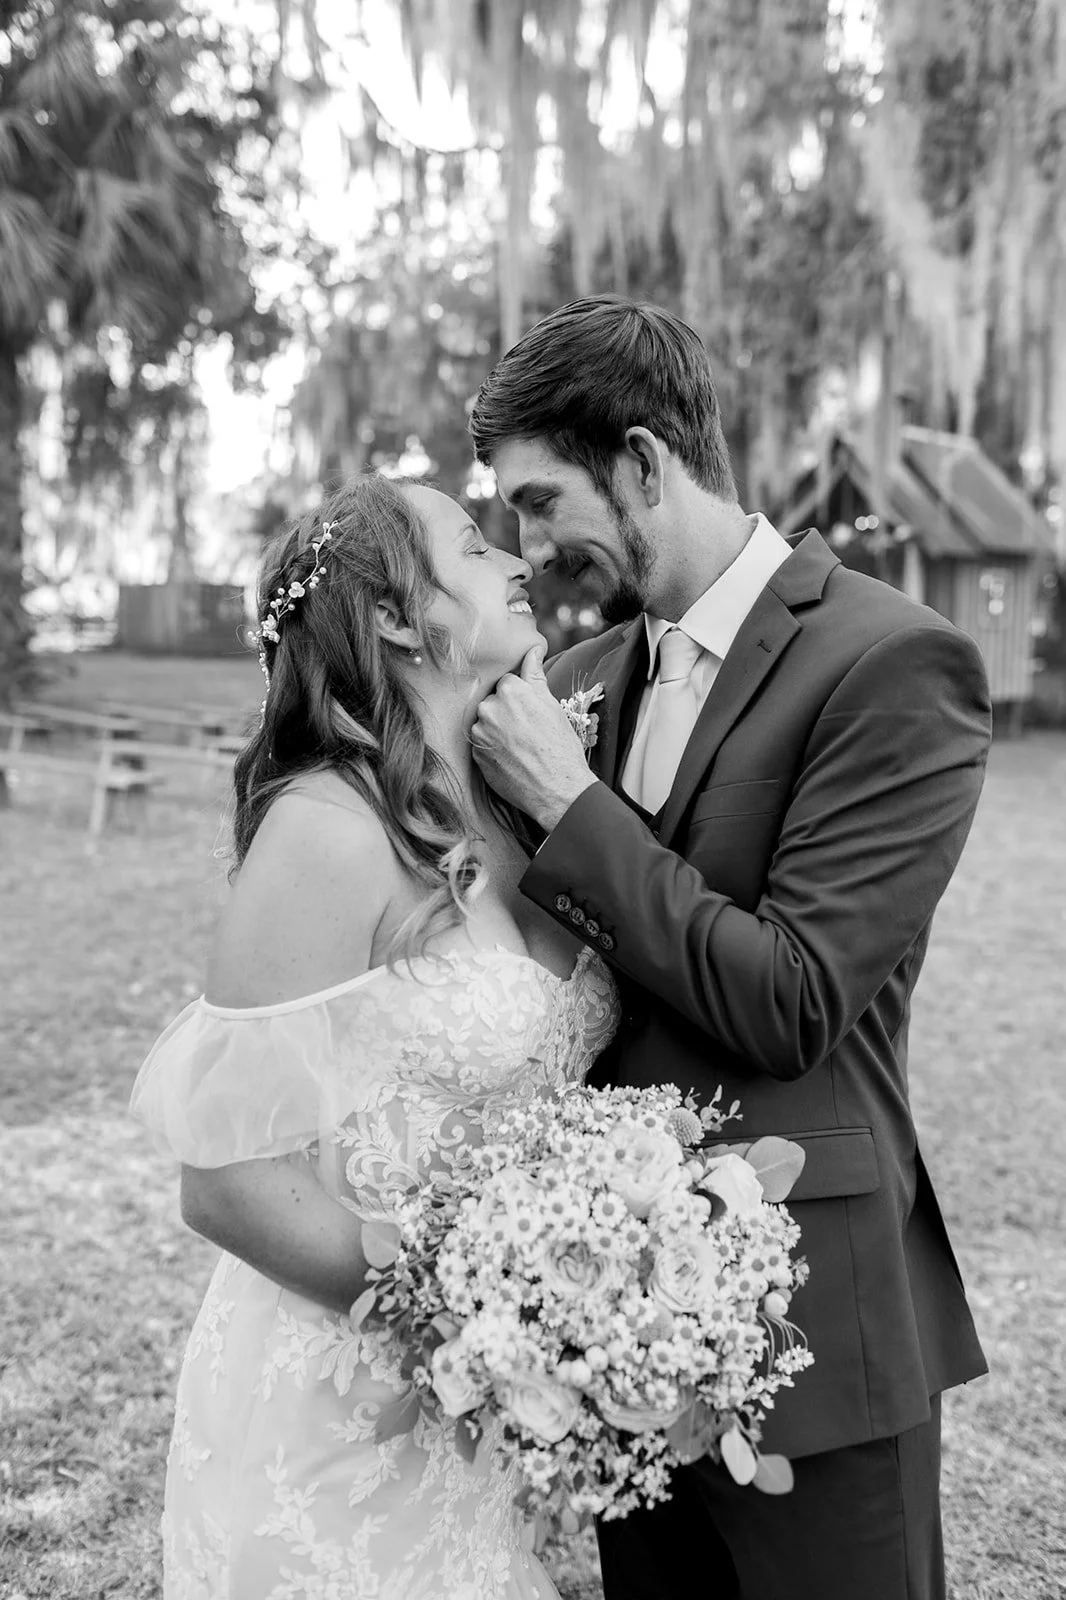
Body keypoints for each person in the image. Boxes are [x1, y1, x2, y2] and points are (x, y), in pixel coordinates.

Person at [468, 295, 991, 1600]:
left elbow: (792, 998)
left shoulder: (889, 663)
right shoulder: (578, 678)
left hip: (805, 1325)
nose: (528, 552)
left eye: (541, 505)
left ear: (643, 462)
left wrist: (568, 810)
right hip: (615, 1331)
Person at [129, 473, 619, 1600]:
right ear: (398, 618)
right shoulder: (323, 831)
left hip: (470, 1426)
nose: (516, 559)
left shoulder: (522, 806)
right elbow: (226, 1180)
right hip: (332, 1405)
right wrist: (476, 1308)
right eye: (472, 542)